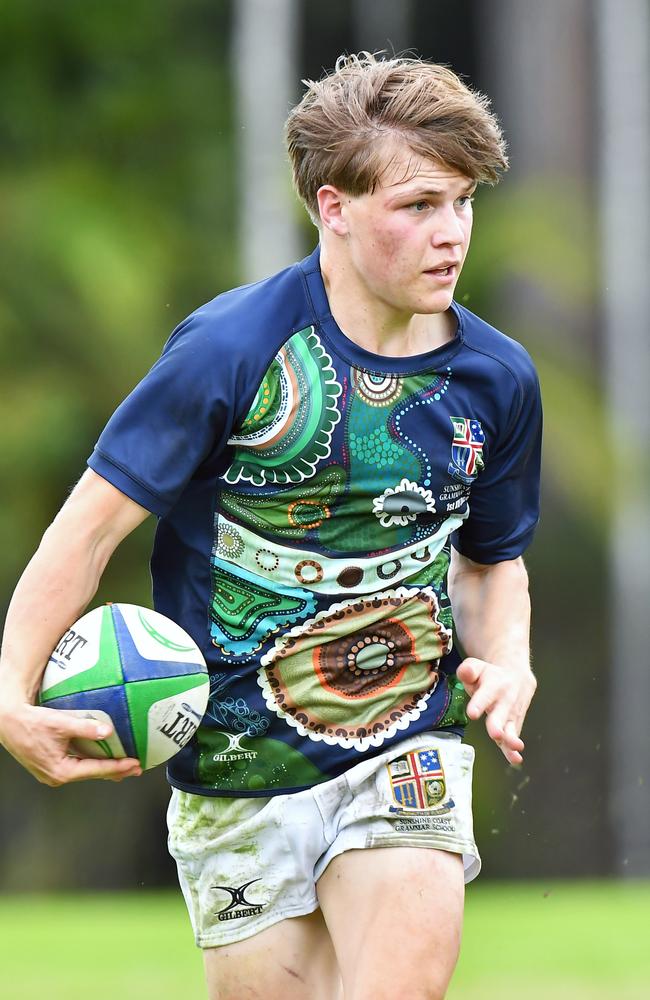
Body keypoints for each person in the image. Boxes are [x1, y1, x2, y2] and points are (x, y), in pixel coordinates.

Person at [0, 53, 542, 1000]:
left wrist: (508, 659)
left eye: (461, 202)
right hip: (236, 762)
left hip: (404, 737)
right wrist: (9, 692)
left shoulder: (497, 380)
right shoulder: (232, 351)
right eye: (417, 206)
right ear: (334, 208)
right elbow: (82, 537)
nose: (451, 233)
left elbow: (493, 561)